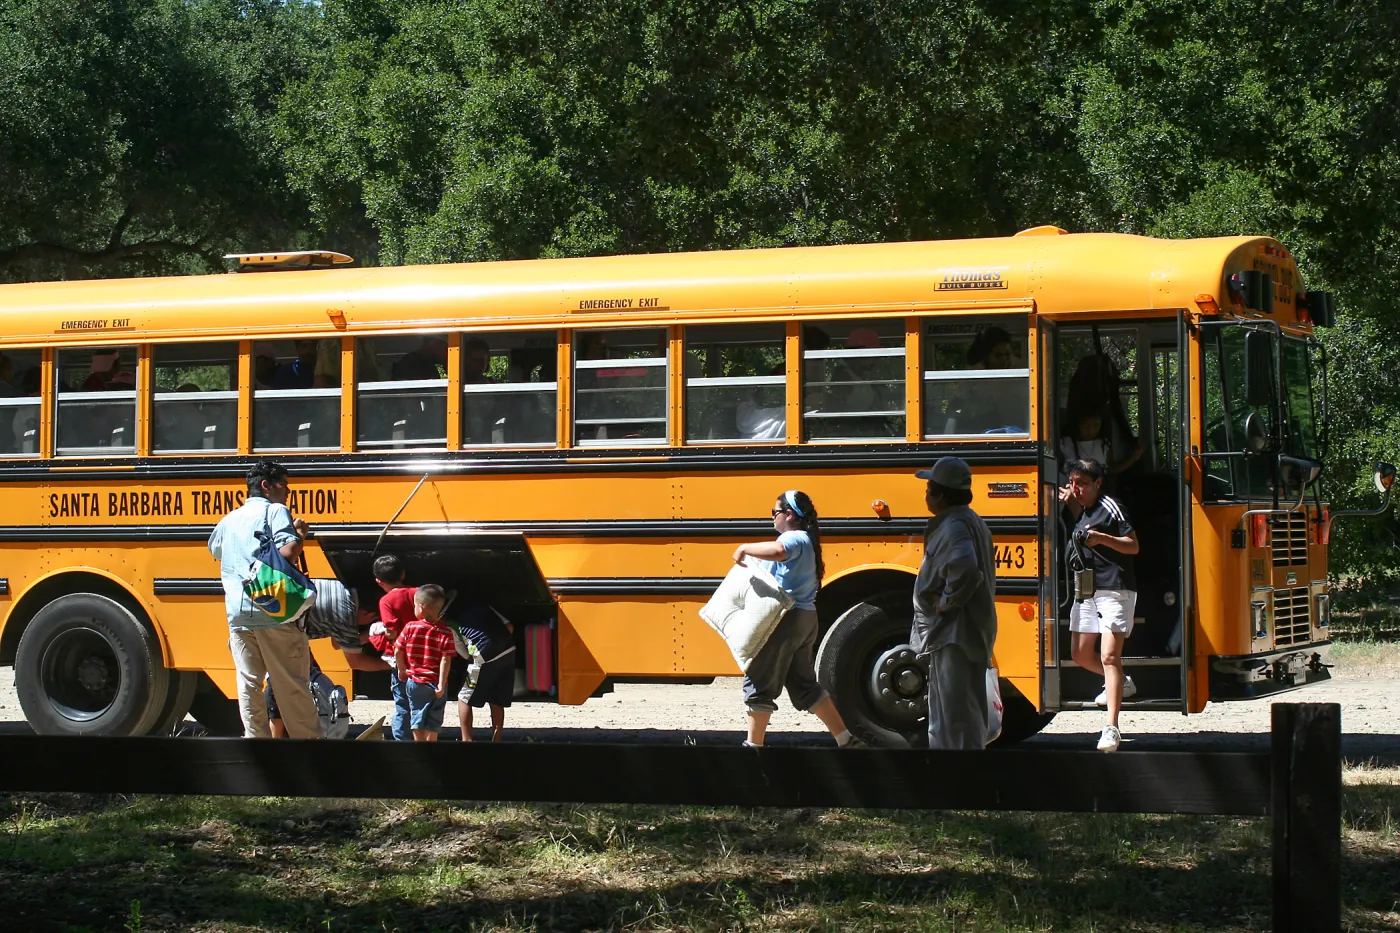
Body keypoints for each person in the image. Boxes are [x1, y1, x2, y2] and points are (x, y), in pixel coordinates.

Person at [730, 490, 864, 748]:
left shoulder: (794, 538)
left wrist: (744, 548)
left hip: (786, 619)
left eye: (775, 513)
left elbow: (779, 550)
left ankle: (753, 749)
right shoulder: (807, 540)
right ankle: (845, 740)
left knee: (759, 680)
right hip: (805, 619)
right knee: (804, 684)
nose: (772, 518)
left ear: (789, 514)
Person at [207, 460, 323, 738]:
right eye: (284, 485)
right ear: (266, 485)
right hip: (274, 611)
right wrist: (300, 535)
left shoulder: (229, 520)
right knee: (291, 683)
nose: (287, 492)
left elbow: (216, 550)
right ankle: (310, 746)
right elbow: (288, 551)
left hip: (238, 613)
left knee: (248, 682)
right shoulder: (275, 510)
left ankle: (255, 742)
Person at [910, 457, 998, 750]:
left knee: (955, 714)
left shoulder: (954, 527)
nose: (925, 495)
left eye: (929, 489)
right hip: (961, 632)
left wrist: (946, 604)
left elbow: (965, 568)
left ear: (941, 495)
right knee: (960, 709)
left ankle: (957, 780)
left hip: (954, 632)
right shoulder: (969, 521)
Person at [1064, 458, 1140, 753]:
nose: (1076, 488)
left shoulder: (1111, 506)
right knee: (1081, 654)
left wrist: (1101, 539)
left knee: (1109, 657)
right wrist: (1072, 505)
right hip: (1087, 589)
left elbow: (1133, 545)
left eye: (1082, 483)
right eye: (1072, 482)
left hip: (1115, 589)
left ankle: (1112, 728)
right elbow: (1083, 528)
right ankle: (1123, 681)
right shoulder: (1083, 510)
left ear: (1098, 483)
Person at [446, 598, 516, 742]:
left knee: (464, 697)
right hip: (509, 649)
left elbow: (461, 649)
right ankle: (497, 738)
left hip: (484, 655)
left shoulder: (451, 622)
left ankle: (467, 740)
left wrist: (470, 659)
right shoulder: (485, 606)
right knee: (496, 698)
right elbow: (509, 627)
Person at [394, 584, 455, 741]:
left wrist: (401, 669)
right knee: (434, 720)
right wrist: (441, 684)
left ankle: (419, 751)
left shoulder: (410, 628)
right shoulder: (446, 632)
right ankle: (431, 749)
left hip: (416, 682)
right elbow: (445, 660)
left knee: (417, 716)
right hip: (437, 684)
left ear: (421, 607)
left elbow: (398, 650)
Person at [369, 554, 418, 741]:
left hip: (402, 659)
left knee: (402, 704)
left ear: (378, 581)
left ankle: (402, 742)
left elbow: (391, 630)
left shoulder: (386, 601)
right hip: (422, 656)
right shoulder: (418, 592)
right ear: (403, 574)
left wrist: (378, 632)